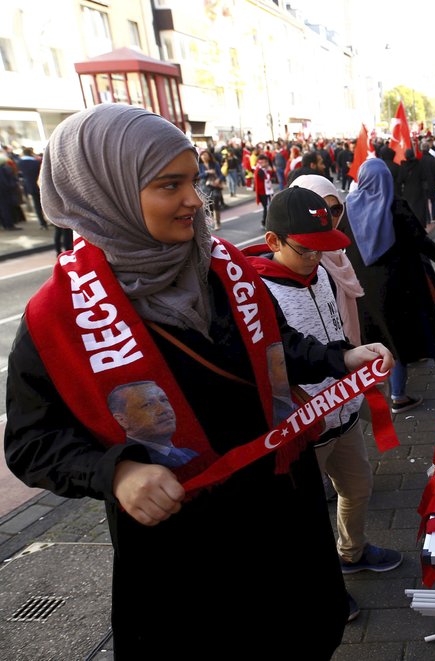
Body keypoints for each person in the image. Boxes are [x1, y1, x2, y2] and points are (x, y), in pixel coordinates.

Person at [4, 104, 394, 659]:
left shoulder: (225, 269)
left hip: (282, 511)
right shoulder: (60, 318)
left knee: (301, 637)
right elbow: (31, 442)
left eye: (195, 179)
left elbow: (279, 349)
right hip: (186, 548)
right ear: (102, 191)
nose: (195, 199)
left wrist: (342, 358)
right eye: (170, 185)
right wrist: (116, 472)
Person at [245, 183, 402, 624]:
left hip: (344, 413)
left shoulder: (323, 273)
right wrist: (338, 362)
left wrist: (358, 354)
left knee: (358, 489)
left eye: (323, 248)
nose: (317, 258)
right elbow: (286, 355)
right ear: (274, 241)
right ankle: (317, 590)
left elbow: (336, 332)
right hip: (302, 427)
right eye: (307, 250)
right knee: (303, 519)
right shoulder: (257, 292)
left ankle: (351, 552)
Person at [342, 158, 435, 414]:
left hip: (360, 288)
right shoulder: (396, 207)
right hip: (399, 287)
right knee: (398, 338)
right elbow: (420, 240)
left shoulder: (347, 208)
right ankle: (398, 395)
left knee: (373, 336)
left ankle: (373, 393)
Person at [107, 381, 199, 468]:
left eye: (164, 400)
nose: (164, 410)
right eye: (148, 405)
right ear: (122, 420)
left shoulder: (190, 454)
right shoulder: (133, 465)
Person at [18, 147, 46, 229]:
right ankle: (49, 220)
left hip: (29, 185)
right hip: (40, 185)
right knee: (44, 204)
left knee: (37, 205)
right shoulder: (36, 162)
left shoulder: (20, 163)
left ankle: (42, 222)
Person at [253, 153, 273, 227]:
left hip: (266, 191)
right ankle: (265, 222)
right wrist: (270, 171)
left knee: (267, 207)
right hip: (263, 192)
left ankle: (266, 222)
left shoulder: (262, 169)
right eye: (266, 162)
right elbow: (266, 178)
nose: (267, 164)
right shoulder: (259, 170)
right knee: (267, 208)